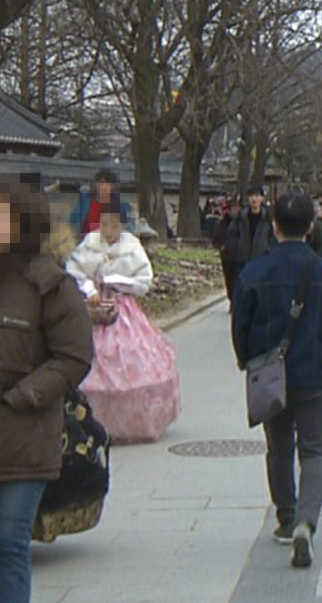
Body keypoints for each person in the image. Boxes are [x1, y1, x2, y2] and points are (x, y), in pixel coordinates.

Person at [231, 193, 322, 568]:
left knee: (279, 448)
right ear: (311, 227)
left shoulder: (253, 273)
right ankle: (308, 520)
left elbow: (240, 325)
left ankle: (286, 518)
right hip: (317, 374)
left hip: (269, 374)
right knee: (315, 451)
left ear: (274, 226)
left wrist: (247, 361)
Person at [1, 177, 92, 602]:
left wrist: (26, 395)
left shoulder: (50, 286)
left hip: (25, 435)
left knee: (8, 543)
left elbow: (74, 356)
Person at [65, 207, 179, 443]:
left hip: (124, 311)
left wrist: (121, 283)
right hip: (95, 309)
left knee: (134, 359)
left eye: (114, 225)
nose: (109, 231)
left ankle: (134, 421)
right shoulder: (88, 246)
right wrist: (89, 289)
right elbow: (74, 273)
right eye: (104, 225)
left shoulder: (131, 248)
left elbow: (144, 280)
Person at [222, 186, 273, 303]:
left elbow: (272, 237)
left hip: (262, 259)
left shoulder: (268, 218)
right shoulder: (240, 217)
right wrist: (236, 250)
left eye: (257, 196)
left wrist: (269, 250)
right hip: (242, 259)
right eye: (252, 196)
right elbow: (231, 235)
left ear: (262, 199)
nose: (254, 199)